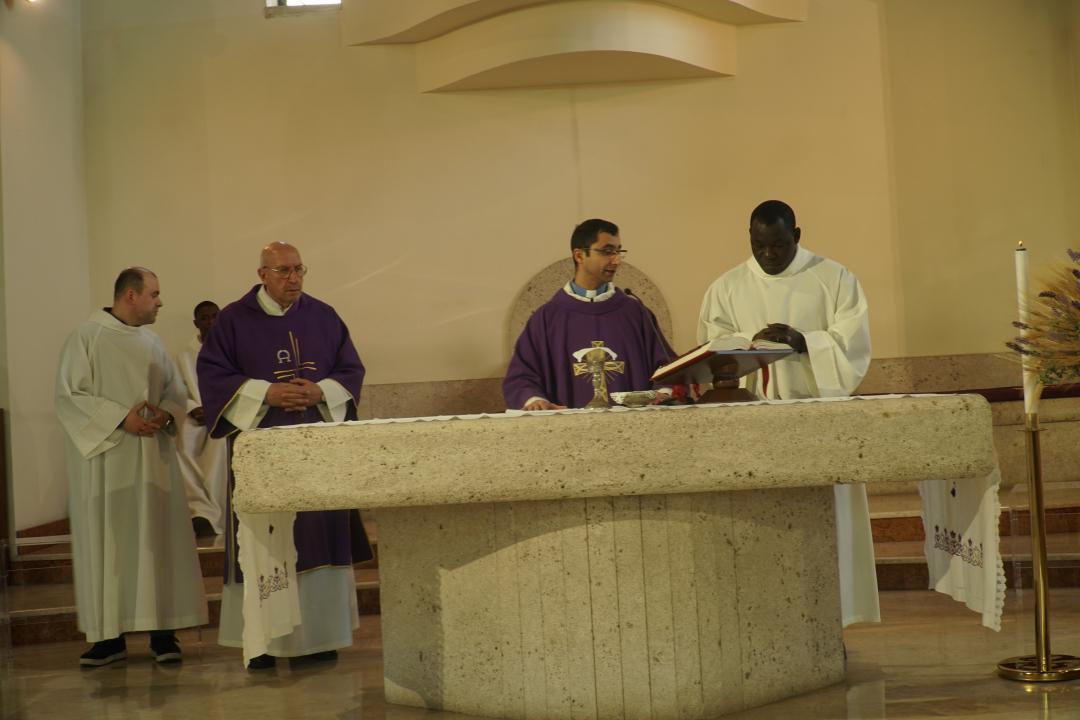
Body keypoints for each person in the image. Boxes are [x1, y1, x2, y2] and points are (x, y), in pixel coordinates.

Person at [697, 199, 877, 627]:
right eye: (760, 246)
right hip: (752, 430)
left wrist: (805, 342)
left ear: (797, 236)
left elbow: (853, 345)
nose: (769, 255)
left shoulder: (835, 279)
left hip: (820, 425)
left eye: (778, 245)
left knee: (829, 525)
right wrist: (750, 344)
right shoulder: (726, 288)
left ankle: (832, 620)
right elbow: (711, 351)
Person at [197, 242, 371, 669]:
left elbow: (351, 371)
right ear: (262, 274)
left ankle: (320, 636)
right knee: (267, 542)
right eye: (283, 271)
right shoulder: (233, 321)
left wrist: (320, 391)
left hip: (318, 451)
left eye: (298, 270)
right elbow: (213, 377)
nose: (294, 279)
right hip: (263, 451)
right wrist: (266, 393)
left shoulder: (324, 316)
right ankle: (264, 642)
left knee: (318, 535)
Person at [55, 267, 208, 666]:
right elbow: (69, 396)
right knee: (111, 544)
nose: (160, 302)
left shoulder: (152, 341)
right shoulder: (86, 337)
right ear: (130, 295)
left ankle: (164, 634)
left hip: (153, 459)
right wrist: (123, 418)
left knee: (158, 540)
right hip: (108, 462)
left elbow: (176, 392)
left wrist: (165, 414)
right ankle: (109, 639)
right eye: (154, 294)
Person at [504, 218, 675, 410]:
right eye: (607, 251)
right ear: (579, 255)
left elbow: (668, 369)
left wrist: (663, 393)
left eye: (618, 251)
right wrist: (535, 400)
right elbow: (521, 377)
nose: (616, 260)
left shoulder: (636, 313)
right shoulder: (546, 319)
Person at [175, 300, 227, 536]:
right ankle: (199, 510)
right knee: (183, 443)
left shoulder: (232, 351)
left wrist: (217, 409)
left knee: (219, 447)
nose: (211, 322)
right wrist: (193, 407)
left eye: (215, 316)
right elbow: (176, 389)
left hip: (224, 415)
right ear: (196, 323)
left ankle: (215, 514)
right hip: (197, 417)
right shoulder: (183, 356)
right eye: (205, 318)